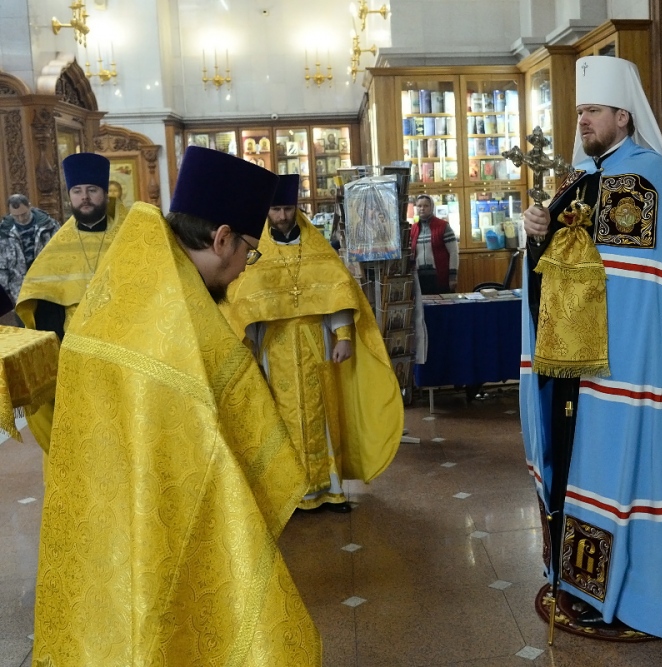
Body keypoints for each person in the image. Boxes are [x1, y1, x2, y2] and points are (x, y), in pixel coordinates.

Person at [31, 145, 321, 665]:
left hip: (108, 519)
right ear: (222, 239)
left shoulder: (137, 282)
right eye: (249, 252)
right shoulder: (176, 317)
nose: (244, 269)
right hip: (160, 507)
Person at [519, 55, 662, 640]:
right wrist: (537, 234)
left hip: (627, 368)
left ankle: (642, 593)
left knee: (631, 474)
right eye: (579, 112)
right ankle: (581, 581)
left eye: (593, 111)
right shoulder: (583, 178)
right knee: (578, 470)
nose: (583, 122)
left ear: (623, 116)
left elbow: (638, 286)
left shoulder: (643, 178)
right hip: (580, 366)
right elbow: (560, 265)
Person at [225, 174, 402, 513]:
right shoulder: (257, 252)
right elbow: (243, 303)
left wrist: (344, 336)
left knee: (322, 415)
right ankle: (290, 495)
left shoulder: (317, 246)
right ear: (267, 211)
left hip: (315, 342)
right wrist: (248, 349)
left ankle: (330, 490)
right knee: (282, 419)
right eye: (275, 210)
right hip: (275, 348)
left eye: (287, 209)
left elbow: (338, 291)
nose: (281, 216)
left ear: (296, 208)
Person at [15, 153, 127, 452]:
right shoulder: (58, 246)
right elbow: (45, 306)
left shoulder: (130, 236)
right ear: (70, 196)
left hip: (127, 348)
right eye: (77, 191)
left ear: (104, 192)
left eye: (92, 190)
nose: (84, 197)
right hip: (76, 354)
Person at [0, 194, 60, 307]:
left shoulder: (49, 226)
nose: (21, 219)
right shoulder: (3, 233)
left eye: (24, 214)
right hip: (19, 290)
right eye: (15, 216)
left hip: (48, 285)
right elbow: (2, 266)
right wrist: (6, 291)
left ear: (29, 206)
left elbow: (61, 254)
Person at [410, 194, 458, 293]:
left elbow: (454, 252)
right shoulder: (413, 229)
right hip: (419, 277)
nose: (422, 209)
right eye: (419, 206)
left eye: (426, 206)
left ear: (432, 207)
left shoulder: (443, 226)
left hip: (439, 276)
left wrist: (453, 276)